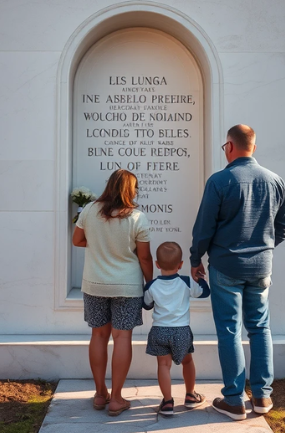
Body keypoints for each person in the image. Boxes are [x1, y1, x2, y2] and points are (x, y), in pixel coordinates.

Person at [190, 124, 285, 421]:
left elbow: (204, 227)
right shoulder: (275, 180)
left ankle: (234, 399)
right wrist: (264, 247)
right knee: (260, 328)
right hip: (261, 267)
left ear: (230, 146)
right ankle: (262, 397)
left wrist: (196, 258)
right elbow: (284, 226)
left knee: (230, 330)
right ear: (254, 148)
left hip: (225, 265)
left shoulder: (220, 180)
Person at [72, 169, 154, 416]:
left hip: (94, 284)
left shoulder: (88, 211)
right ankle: (117, 398)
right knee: (122, 339)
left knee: (98, 336)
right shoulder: (137, 217)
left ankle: (100, 395)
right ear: (132, 190)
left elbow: (77, 240)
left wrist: (98, 245)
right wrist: (150, 283)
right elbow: (145, 257)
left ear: (108, 186)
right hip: (127, 287)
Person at [143, 241, 210, 416]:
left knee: (163, 365)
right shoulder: (186, 282)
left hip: (159, 331)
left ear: (157, 265)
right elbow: (204, 292)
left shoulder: (152, 286)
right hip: (181, 331)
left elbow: (147, 304)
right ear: (180, 265)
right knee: (187, 361)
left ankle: (167, 402)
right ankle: (190, 395)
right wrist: (201, 279)